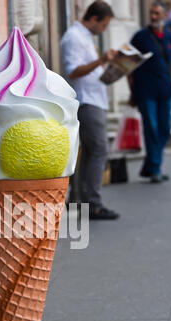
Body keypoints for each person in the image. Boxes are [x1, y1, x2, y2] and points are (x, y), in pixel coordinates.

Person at [60, 1, 120, 220]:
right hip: (87, 101)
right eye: (103, 25)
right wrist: (101, 60)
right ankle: (93, 203)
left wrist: (111, 68)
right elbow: (73, 71)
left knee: (90, 151)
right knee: (99, 150)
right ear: (93, 18)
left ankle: (80, 199)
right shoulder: (74, 37)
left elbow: (91, 69)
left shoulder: (85, 37)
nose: (104, 30)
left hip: (95, 99)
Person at [129, 1, 171, 183]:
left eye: (157, 13)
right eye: (151, 13)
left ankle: (150, 166)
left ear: (165, 15)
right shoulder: (140, 37)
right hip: (145, 91)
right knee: (152, 128)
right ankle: (155, 168)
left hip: (164, 89)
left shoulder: (169, 36)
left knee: (165, 128)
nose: (154, 16)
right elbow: (126, 65)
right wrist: (132, 91)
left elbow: (168, 63)